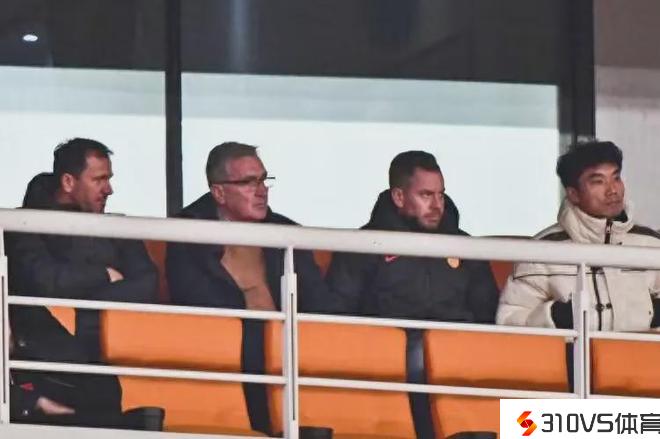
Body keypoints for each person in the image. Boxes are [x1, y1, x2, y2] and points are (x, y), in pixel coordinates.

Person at [6, 138, 158, 360]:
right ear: (68, 182)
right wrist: (105, 275)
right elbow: (44, 280)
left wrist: (88, 308)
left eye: (109, 179)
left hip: (113, 347)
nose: (109, 190)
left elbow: (147, 282)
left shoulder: (117, 227)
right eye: (99, 180)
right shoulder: (23, 226)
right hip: (46, 354)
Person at [497, 140, 660, 331]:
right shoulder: (542, 251)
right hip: (572, 350)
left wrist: (653, 314)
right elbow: (508, 320)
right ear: (573, 194)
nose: (613, 190)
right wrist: (554, 316)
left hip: (641, 350)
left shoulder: (651, 243)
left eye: (616, 178)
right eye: (598, 181)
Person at [325, 150, 499, 322]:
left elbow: (488, 317)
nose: (437, 205)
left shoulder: (466, 248)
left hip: (455, 339)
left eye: (440, 195)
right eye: (426, 195)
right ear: (399, 197)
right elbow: (338, 318)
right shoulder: (361, 246)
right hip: (385, 339)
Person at [166, 142, 329, 311]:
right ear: (219, 193)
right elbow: (192, 301)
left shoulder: (288, 233)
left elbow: (319, 304)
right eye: (249, 182)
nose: (262, 191)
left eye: (263, 180)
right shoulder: (187, 233)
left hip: (288, 328)